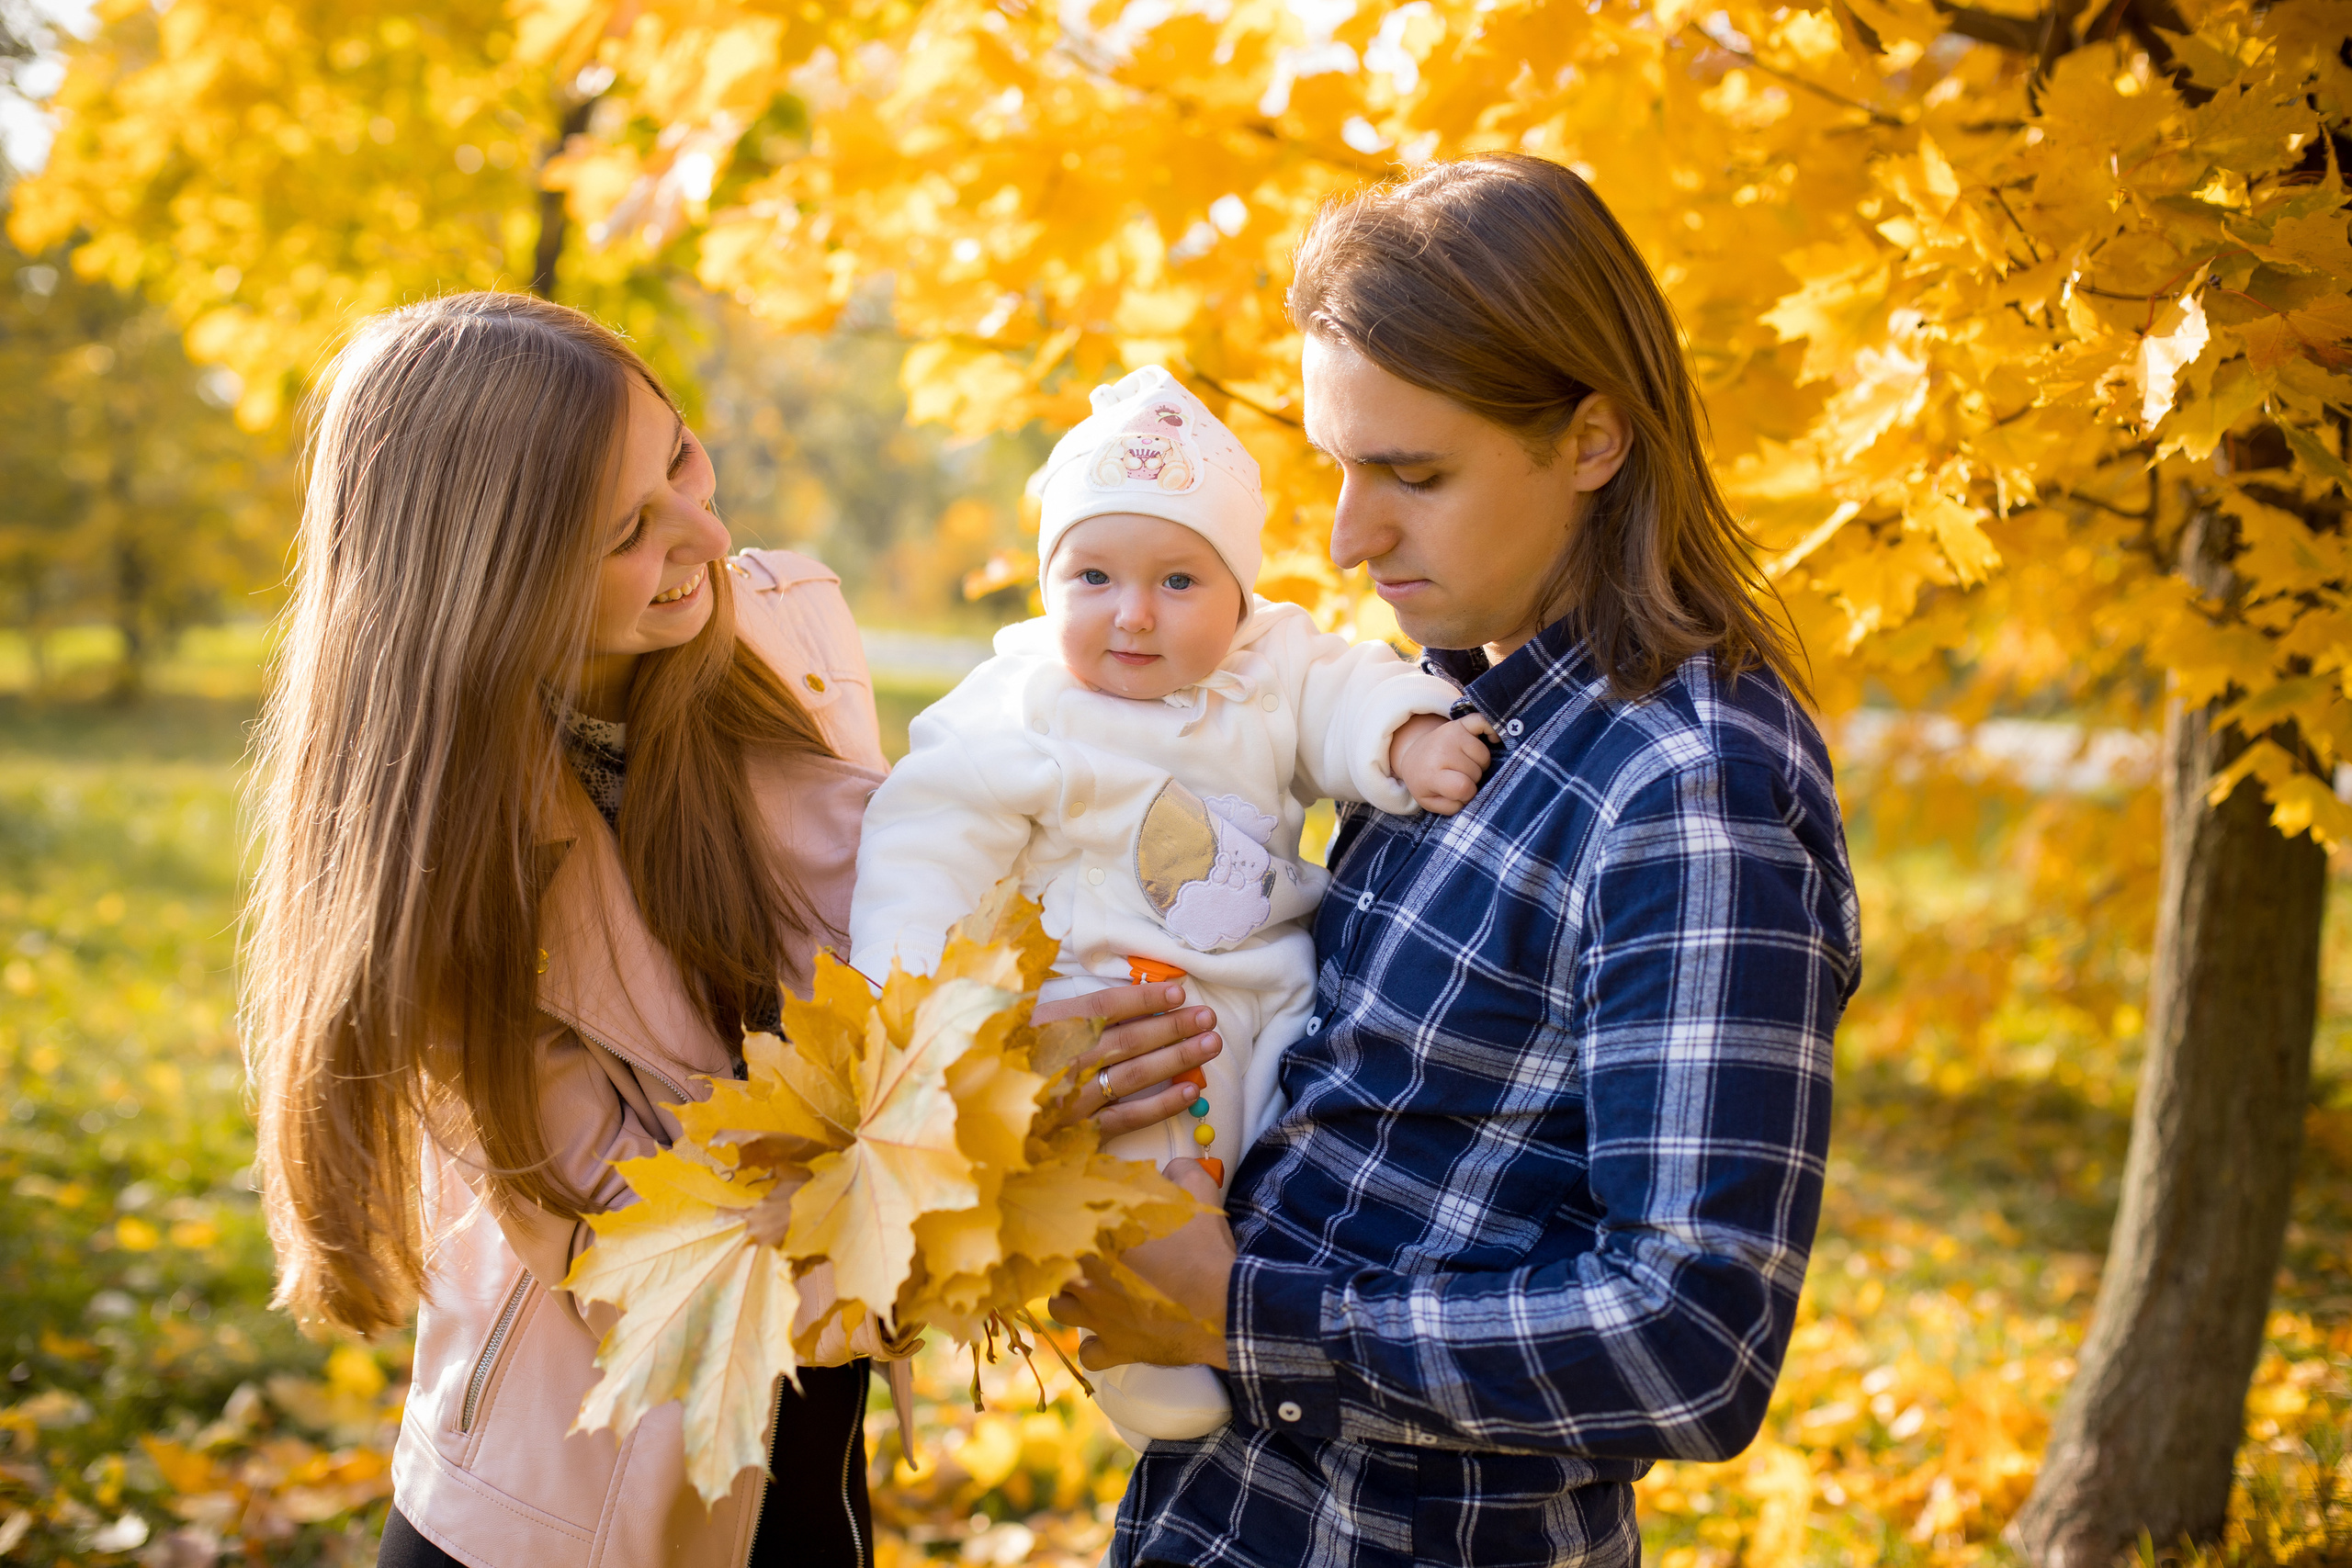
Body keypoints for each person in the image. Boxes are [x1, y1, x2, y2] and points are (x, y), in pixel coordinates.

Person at [240, 292, 1220, 1568]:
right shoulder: (444, 882)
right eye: (626, 532)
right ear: (491, 584)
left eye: (682, 458)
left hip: (818, 1456)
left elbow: (902, 925)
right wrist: (979, 1111)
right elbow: (657, 1269)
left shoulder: (787, 631)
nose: (706, 532)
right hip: (592, 1513)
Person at [1050, 154, 1863, 1567]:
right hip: (1223, 1514)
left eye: (1414, 475)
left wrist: (1238, 1315)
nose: (1346, 536)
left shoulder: (1689, 792)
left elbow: (1693, 1339)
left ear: (1593, 439)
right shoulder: (1439, 707)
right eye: (1339, 465)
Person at [848, 366, 1491, 1448]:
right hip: (1112, 1004)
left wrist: (1405, 738)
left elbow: (1348, 691)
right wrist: (910, 999)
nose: (1133, 615)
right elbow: (925, 840)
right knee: (1143, 1169)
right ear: (1049, 583)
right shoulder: (1023, 707)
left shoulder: (1269, 665)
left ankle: (1258, 1308)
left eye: (1179, 581)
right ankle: (1143, 1344)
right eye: (1092, 577)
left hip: (1266, 995)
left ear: (1238, 592)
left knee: (1289, 1148)